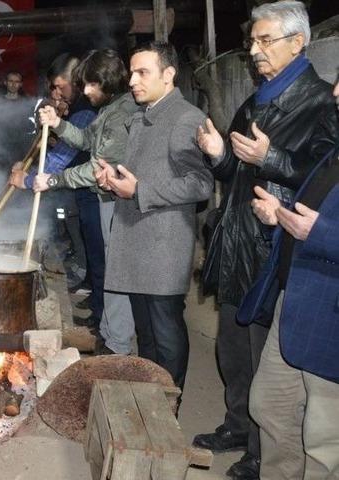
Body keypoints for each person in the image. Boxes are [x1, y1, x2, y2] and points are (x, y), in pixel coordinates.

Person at [191, 3, 339, 478]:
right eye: (252, 42)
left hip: (274, 245)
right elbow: (238, 168)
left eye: (265, 41)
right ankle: (238, 425)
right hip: (239, 235)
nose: (254, 51)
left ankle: (260, 452)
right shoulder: (258, 98)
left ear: (298, 42)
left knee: (264, 359)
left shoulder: (319, 102)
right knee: (232, 348)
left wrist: (270, 156)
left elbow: (318, 181)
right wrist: (218, 155)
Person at [96, 41, 213, 391]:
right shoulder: (143, 116)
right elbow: (142, 173)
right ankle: (149, 398)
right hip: (136, 241)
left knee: (165, 333)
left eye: (142, 72)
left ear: (169, 74)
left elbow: (200, 184)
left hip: (163, 247)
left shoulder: (186, 118)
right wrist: (113, 180)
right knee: (146, 335)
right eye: (132, 72)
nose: (132, 80)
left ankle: (168, 403)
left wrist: (141, 191)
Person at [240, 78, 339, 479]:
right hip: (294, 299)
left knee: (325, 441)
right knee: (269, 407)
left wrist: (319, 234)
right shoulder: (334, 152)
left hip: (330, 317)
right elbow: (314, 215)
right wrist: (280, 216)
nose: (334, 91)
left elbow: (321, 229)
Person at [33, 49, 139, 356]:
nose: (87, 90)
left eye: (92, 84)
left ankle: (117, 345)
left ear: (108, 81)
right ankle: (108, 333)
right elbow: (85, 141)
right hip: (105, 200)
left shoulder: (122, 114)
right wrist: (58, 124)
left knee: (115, 273)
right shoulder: (109, 109)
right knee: (108, 271)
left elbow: (98, 167)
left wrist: (53, 180)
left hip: (116, 203)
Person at [9, 54, 100, 320]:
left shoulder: (85, 111)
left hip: (92, 190)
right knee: (90, 243)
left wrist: (26, 179)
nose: (56, 92)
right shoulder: (77, 108)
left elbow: (62, 156)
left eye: (61, 86)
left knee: (96, 248)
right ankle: (95, 297)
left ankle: (100, 312)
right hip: (82, 187)